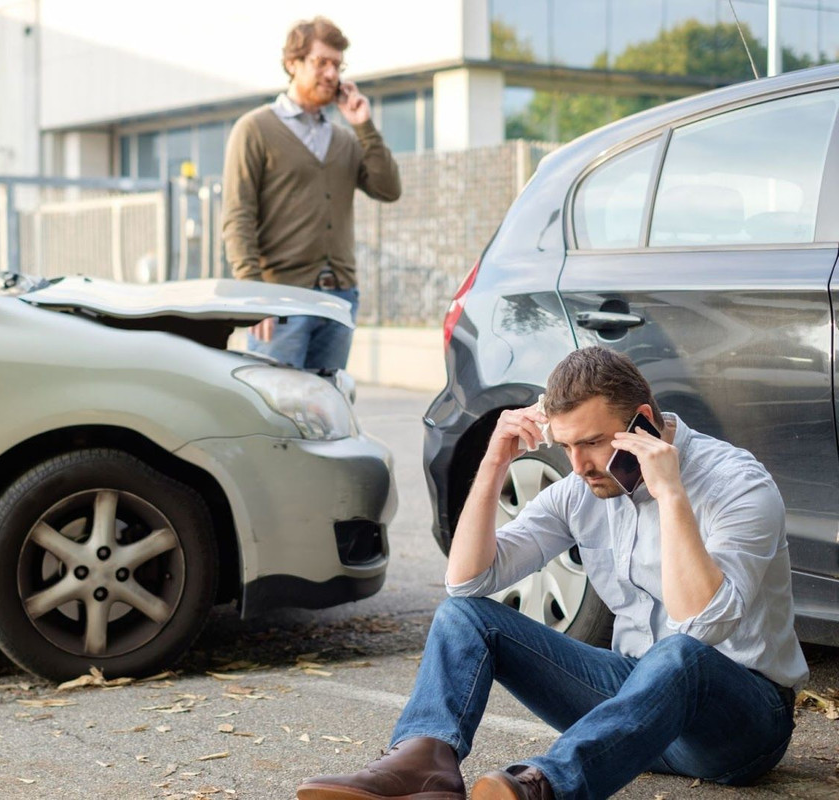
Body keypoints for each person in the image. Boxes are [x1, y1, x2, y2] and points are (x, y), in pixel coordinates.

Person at [298, 346, 807, 800]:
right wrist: (495, 460)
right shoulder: (581, 488)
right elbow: (468, 581)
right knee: (465, 616)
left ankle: (545, 787)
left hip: (736, 726)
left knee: (681, 652)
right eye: (565, 447)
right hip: (632, 711)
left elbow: (703, 624)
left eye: (591, 442)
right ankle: (425, 764)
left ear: (643, 424)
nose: (579, 465)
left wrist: (670, 494)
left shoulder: (737, 484)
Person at [222, 16, 401, 371]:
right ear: (293, 63)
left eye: (337, 65)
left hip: (340, 298)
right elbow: (237, 216)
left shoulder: (345, 138)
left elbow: (388, 188)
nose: (332, 74)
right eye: (321, 62)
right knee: (274, 408)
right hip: (280, 297)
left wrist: (363, 125)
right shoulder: (255, 129)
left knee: (324, 410)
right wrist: (254, 294)